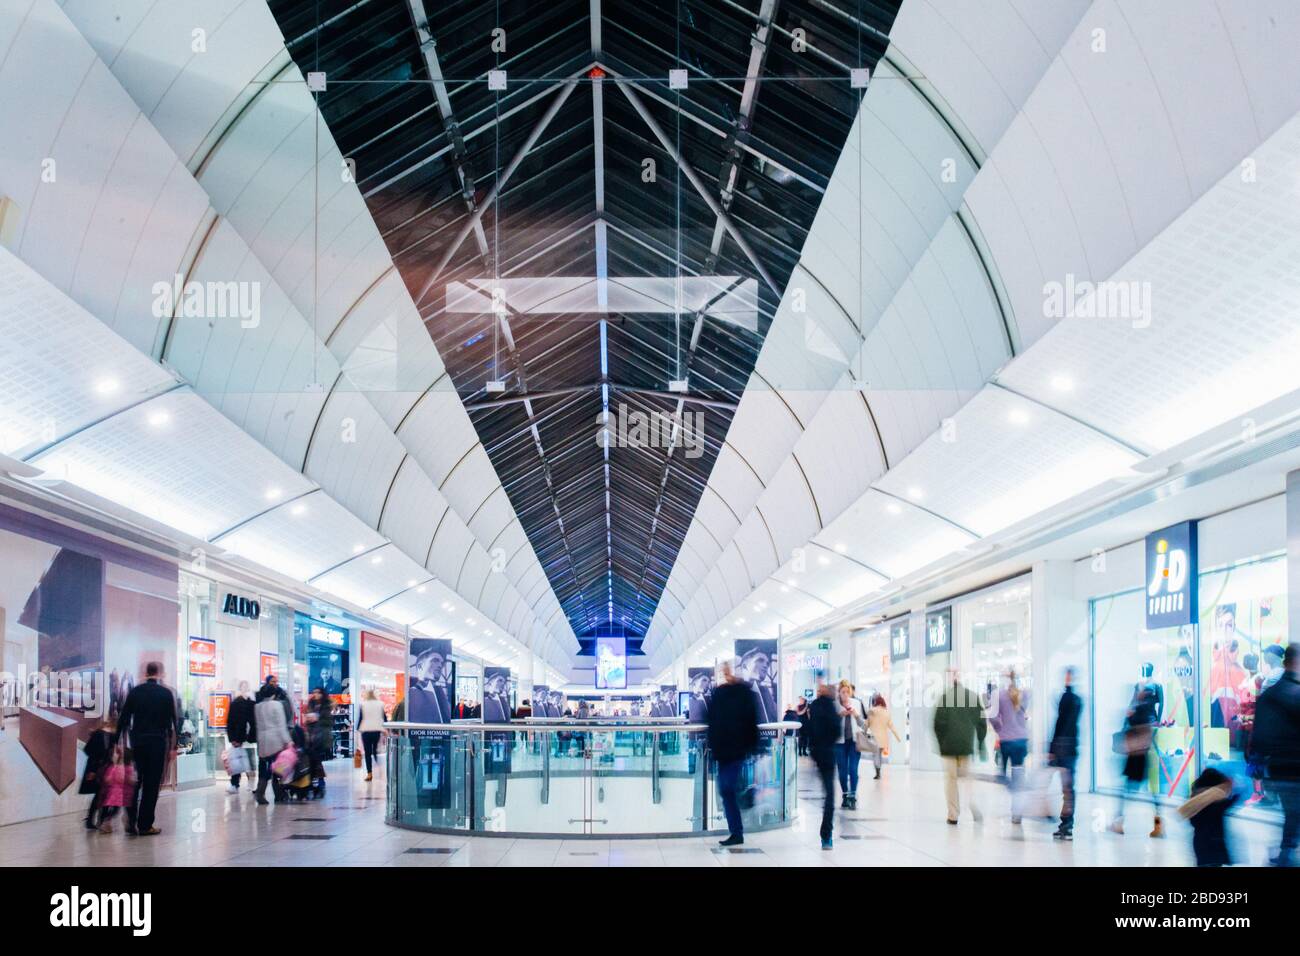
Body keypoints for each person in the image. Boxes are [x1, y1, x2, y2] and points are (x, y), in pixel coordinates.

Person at [115, 661, 179, 836]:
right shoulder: (166, 693)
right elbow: (174, 721)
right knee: (151, 785)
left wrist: (116, 741)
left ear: (146, 672)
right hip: (158, 743)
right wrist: (174, 746)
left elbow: (124, 717)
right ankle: (145, 825)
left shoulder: (135, 691)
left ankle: (131, 818)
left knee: (135, 782)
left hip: (138, 742)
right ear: (160, 673)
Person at [1250, 643, 1300, 866]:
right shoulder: (1296, 693)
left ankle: (1286, 851)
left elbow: (1259, 732)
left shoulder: (1270, 694)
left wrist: (1257, 760)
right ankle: (1287, 852)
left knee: (1291, 810)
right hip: (1294, 764)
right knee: (1293, 810)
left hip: (1278, 765)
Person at [707, 660, 760, 847]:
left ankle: (737, 831)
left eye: (728, 670)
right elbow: (712, 720)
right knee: (726, 789)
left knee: (727, 787)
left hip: (736, 750)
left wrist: (751, 745)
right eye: (724, 671)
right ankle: (736, 832)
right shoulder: (719, 693)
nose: (726, 673)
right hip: (723, 751)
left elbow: (751, 719)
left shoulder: (743, 692)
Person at [933, 669, 986, 825]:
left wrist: (941, 743)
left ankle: (953, 814)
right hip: (966, 746)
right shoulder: (972, 697)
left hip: (948, 748)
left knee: (951, 780)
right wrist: (980, 742)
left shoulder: (944, 698)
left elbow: (937, 724)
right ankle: (971, 803)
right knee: (967, 778)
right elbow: (982, 722)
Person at [1112, 680, 1161, 837]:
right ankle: (1158, 825)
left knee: (1127, 791)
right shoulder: (1146, 707)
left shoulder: (1140, 707)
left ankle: (1119, 822)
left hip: (1136, 755)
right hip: (1141, 755)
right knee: (1146, 793)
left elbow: (1132, 725)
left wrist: (1129, 715)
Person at [990, 669, 1030, 824]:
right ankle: (1017, 812)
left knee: (1002, 775)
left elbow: (992, 716)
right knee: (1018, 774)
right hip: (1021, 741)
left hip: (1007, 741)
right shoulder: (1025, 695)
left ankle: (1014, 790)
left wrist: (1000, 729)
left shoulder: (1000, 695)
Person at [1047, 668, 1082, 840]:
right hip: (1070, 747)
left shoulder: (1068, 699)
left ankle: (1067, 824)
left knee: (1067, 789)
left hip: (1065, 748)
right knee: (1068, 788)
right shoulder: (1075, 700)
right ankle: (1066, 823)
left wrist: (1052, 748)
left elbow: (1061, 723)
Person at [1178, 767, 1236, 867]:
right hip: (1215, 845)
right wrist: (1234, 793)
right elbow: (1228, 802)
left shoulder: (1195, 804)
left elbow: (1193, 821)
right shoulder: (1217, 803)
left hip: (1200, 845)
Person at [807, 681, 840, 850]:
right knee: (829, 795)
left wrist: (812, 749)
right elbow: (836, 730)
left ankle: (826, 834)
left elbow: (809, 730)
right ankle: (826, 835)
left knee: (827, 794)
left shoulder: (814, 706)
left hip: (818, 754)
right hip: (827, 754)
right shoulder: (830, 706)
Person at [253, 674, 293, 805]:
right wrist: (287, 741)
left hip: (263, 741)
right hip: (275, 741)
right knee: (278, 768)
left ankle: (260, 792)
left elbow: (258, 726)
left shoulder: (257, 707)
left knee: (265, 769)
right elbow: (281, 725)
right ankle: (279, 794)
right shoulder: (276, 705)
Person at [79, 717, 116, 829]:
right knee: (103, 795)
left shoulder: (108, 736)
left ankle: (95, 820)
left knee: (102, 795)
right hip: (99, 768)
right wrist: (93, 770)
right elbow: (89, 751)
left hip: (103, 768)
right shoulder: (101, 735)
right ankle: (96, 820)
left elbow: (88, 750)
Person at [835, 680, 867, 808]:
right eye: (843, 692)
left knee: (853, 769)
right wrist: (840, 715)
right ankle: (845, 795)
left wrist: (856, 715)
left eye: (848, 692)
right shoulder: (835, 705)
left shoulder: (857, 704)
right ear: (839, 693)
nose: (846, 694)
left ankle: (853, 796)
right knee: (842, 771)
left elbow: (863, 725)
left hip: (855, 742)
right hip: (839, 743)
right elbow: (830, 725)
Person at [95, 744, 137, 834]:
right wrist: (134, 782)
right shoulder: (129, 769)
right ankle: (126, 824)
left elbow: (107, 779)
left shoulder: (113, 767)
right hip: (125, 795)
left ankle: (105, 823)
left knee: (114, 810)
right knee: (125, 810)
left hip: (113, 794)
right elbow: (130, 780)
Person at [225, 680, 256, 794]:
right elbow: (231, 721)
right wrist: (233, 738)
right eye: (243, 686)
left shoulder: (250, 702)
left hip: (248, 736)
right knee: (237, 760)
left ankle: (250, 782)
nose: (245, 688)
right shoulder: (237, 702)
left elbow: (252, 721)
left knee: (248, 760)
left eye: (246, 686)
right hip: (239, 736)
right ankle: (235, 783)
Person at [866, 694, 901, 780]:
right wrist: (898, 737)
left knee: (875, 755)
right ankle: (878, 771)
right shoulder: (887, 713)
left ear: (876, 702)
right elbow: (891, 726)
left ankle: (877, 772)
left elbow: (867, 723)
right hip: (883, 738)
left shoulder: (872, 711)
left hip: (874, 737)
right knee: (879, 755)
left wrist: (863, 731)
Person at [304, 687, 333, 795]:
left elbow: (329, 722)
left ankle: (319, 782)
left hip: (322, 737)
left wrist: (318, 718)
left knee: (317, 760)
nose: (316, 694)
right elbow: (307, 720)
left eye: (318, 693)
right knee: (314, 760)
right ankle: (316, 782)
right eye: (314, 692)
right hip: (312, 737)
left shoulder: (326, 705)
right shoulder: (311, 704)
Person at [357, 688, 386, 781]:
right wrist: (386, 728)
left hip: (366, 730)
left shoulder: (363, 704)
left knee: (367, 753)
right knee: (375, 749)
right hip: (376, 730)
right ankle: (378, 766)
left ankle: (369, 773)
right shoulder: (380, 704)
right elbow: (384, 718)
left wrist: (357, 730)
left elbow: (361, 718)